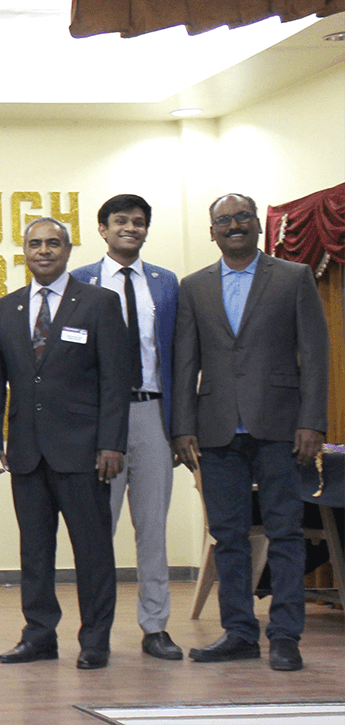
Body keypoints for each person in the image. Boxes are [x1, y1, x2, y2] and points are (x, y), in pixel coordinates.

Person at [173, 193, 329, 672]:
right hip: (216, 429)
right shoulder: (193, 286)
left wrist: (312, 422)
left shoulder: (293, 277)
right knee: (229, 537)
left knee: (284, 533)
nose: (234, 225)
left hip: (280, 427)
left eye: (242, 217)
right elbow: (186, 361)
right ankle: (239, 632)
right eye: (224, 220)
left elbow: (316, 353)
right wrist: (181, 427)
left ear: (257, 226)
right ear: (212, 231)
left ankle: (285, 636)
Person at [0, 217, 129, 670]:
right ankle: (39, 635)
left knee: (93, 550)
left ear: (67, 250)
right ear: (23, 251)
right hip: (25, 451)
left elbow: (116, 380)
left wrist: (111, 443)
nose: (43, 251)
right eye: (34, 244)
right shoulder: (6, 309)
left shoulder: (100, 302)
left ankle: (95, 639)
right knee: (35, 550)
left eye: (52, 243)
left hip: (84, 451)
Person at [70, 194, 182, 661]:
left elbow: (179, 353)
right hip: (100, 422)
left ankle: (155, 626)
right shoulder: (78, 281)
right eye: (121, 221)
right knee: (99, 528)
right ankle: (96, 629)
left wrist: (182, 427)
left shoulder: (166, 283)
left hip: (153, 414)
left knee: (152, 527)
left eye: (139, 222)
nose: (130, 228)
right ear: (102, 229)